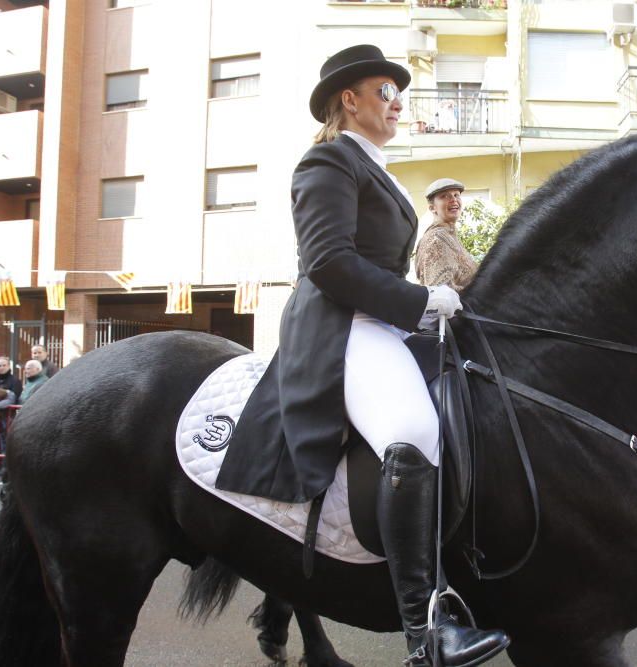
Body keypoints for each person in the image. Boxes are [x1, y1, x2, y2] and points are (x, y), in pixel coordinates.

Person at [212, 45, 507, 667]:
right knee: (413, 430)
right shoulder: (327, 161)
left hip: (384, 324)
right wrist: (424, 299)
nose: (397, 103)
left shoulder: (379, 168)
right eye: (385, 91)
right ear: (350, 99)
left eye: (398, 94)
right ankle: (426, 629)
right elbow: (328, 263)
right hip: (343, 324)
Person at [414, 178, 477, 292]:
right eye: (444, 196)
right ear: (433, 208)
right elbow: (440, 293)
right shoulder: (436, 239)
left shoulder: (449, 235)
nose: (453, 200)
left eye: (456, 195)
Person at [0, 356, 22, 470]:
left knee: (5, 439)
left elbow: (14, 397)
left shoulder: (15, 381)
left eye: (3, 365)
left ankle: (6, 464)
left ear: (8, 366)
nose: (1, 368)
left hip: (7, 415)